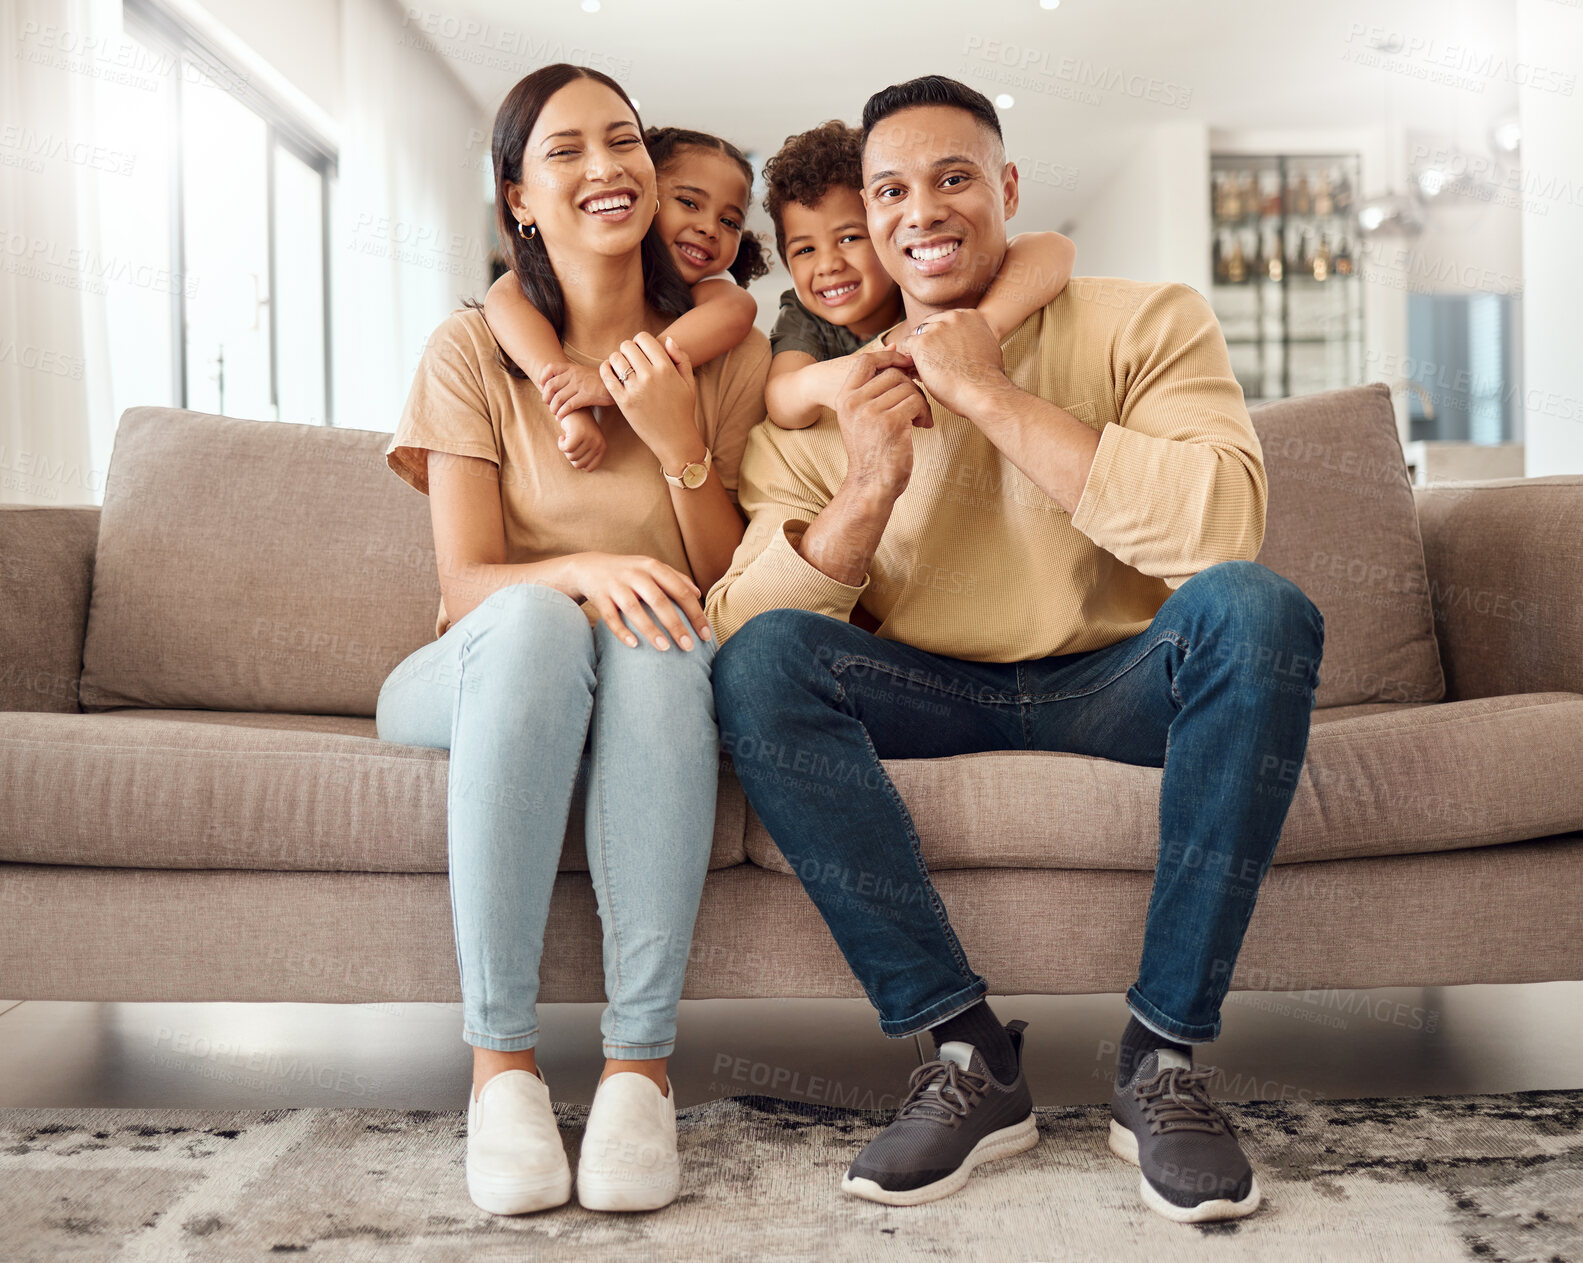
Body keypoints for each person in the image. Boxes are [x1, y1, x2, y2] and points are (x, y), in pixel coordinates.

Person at [708, 75, 1323, 1223]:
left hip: (1119, 678)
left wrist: (988, 396)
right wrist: (869, 486)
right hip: (926, 690)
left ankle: (1162, 1063)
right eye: (890, 190)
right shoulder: (827, 396)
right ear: (869, 218)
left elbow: (1219, 529)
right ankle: (967, 1056)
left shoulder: (1145, 319)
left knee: (1257, 610)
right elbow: (748, 627)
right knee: (761, 663)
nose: (922, 211)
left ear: (1005, 190)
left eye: (952, 179)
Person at [375, 62, 770, 1217]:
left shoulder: (725, 351)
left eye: (625, 141)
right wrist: (584, 570)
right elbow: (463, 587)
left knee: (664, 633)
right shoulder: (471, 350)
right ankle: (499, 1071)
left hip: (645, 665)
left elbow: (720, 578)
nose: (607, 168)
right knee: (550, 616)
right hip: (476, 666)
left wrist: (675, 436)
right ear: (517, 199)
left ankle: (638, 1074)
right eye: (566, 151)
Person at [483, 126, 769, 471]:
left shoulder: (710, 286)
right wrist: (571, 404)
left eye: (729, 221)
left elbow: (739, 308)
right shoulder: (582, 272)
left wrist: (612, 381)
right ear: (641, 197)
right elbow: (503, 295)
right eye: (689, 203)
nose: (710, 228)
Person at [758, 120, 1076, 431]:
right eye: (804, 250)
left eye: (849, 239)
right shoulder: (801, 318)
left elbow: (1053, 248)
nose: (828, 265)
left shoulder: (920, 284)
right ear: (786, 265)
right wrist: (858, 370)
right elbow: (785, 402)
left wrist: (988, 324)